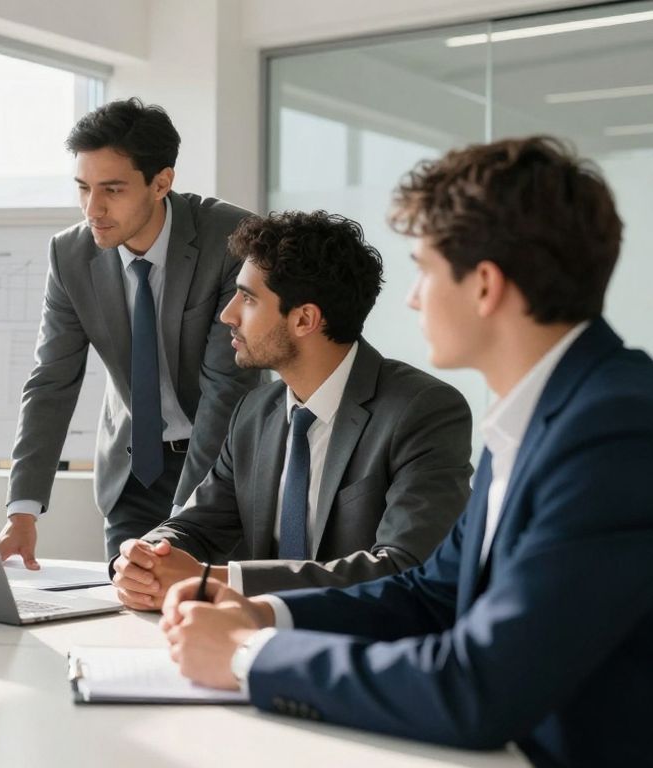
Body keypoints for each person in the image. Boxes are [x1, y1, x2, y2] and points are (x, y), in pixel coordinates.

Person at [160, 136, 653, 766]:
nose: (414, 298)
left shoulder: (614, 431)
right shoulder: (539, 419)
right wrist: (262, 615)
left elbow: (479, 687)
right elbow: (430, 594)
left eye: (424, 269)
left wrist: (244, 657)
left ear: (484, 286)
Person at [112, 210, 471, 609]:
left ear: (304, 319)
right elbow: (197, 524)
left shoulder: (422, 411)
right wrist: (143, 557)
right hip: (251, 646)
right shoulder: (255, 411)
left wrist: (216, 579)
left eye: (247, 298)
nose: (227, 314)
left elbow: (405, 568)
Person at [0, 97, 262, 564]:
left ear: (161, 183)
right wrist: (22, 512)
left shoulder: (229, 238)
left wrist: (184, 524)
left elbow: (227, 388)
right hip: (132, 472)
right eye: (83, 188)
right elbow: (51, 380)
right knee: (125, 611)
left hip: (221, 469)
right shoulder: (70, 255)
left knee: (205, 615)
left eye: (112, 190)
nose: (92, 208)